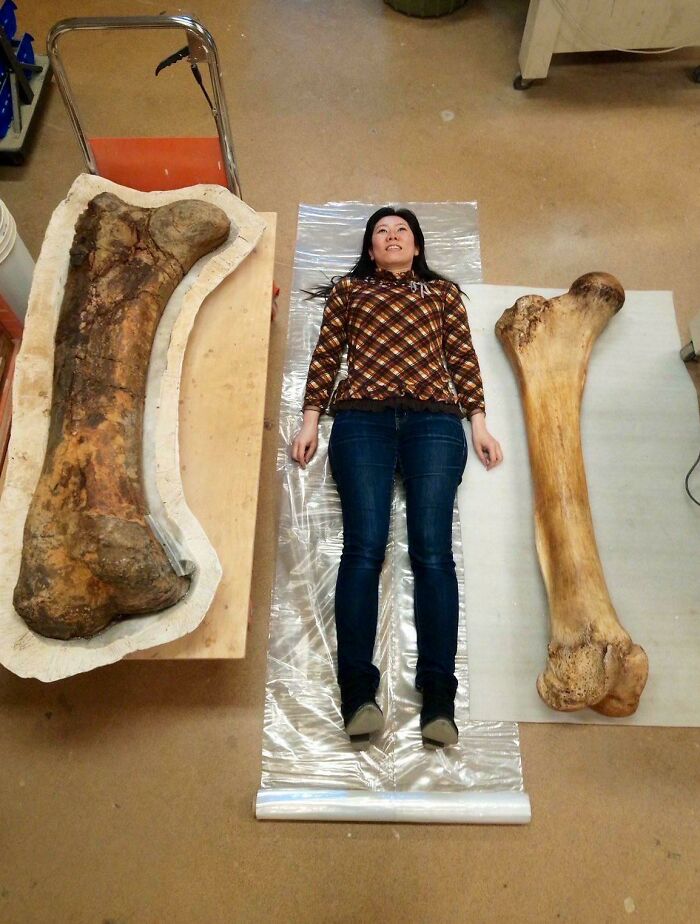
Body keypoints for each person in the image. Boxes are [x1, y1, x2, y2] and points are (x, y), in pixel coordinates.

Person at [291, 207, 503, 750]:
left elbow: (462, 358)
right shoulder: (350, 292)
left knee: (433, 553)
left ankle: (439, 702)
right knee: (364, 549)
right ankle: (358, 695)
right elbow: (326, 355)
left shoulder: (441, 295)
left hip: (435, 420)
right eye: (381, 231)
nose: (392, 236)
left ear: (417, 245)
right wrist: (310, 421)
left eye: (401, 230)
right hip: (363, 418)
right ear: (370, 248)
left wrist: (479, 422)